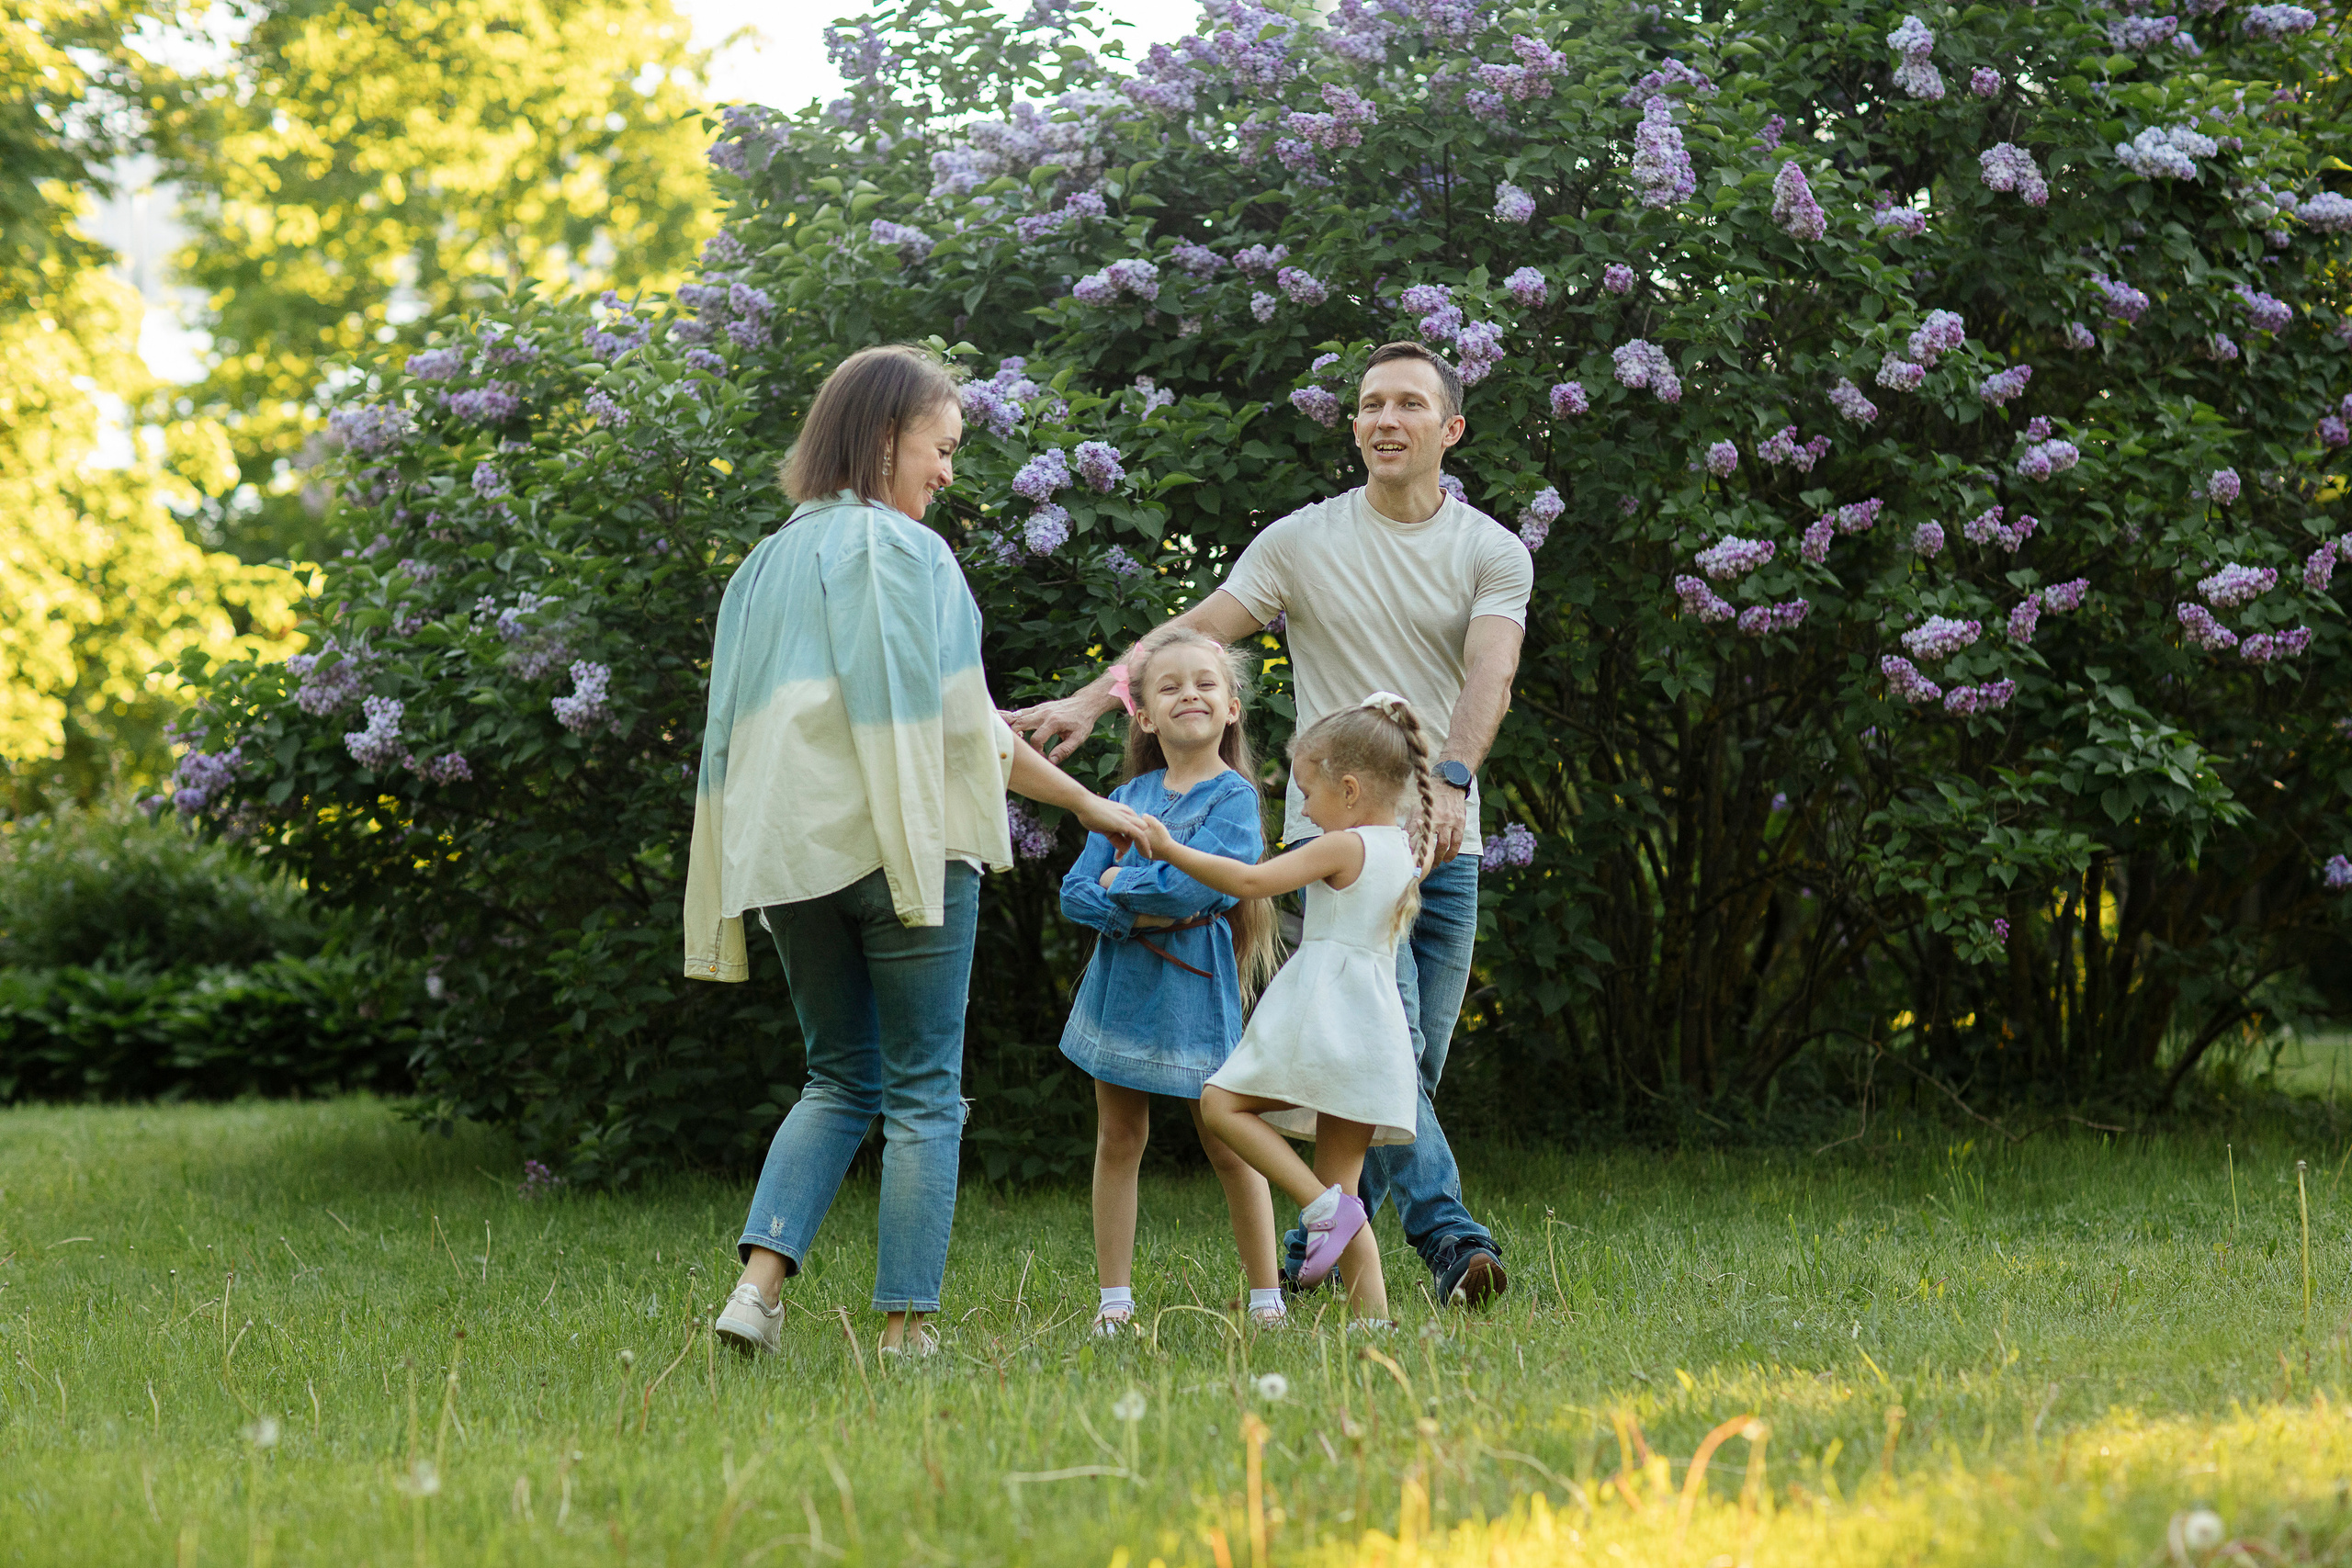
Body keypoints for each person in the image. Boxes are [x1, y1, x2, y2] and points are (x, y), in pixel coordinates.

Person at [1015, 341, 1529, 1307]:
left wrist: (1452, 781)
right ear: (1355, 426)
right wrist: (1092, 700)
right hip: (1325, 850)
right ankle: (1453, 1246)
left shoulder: (1491, 552)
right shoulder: (1301, 542)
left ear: (1449, 430)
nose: (1385, 419)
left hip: (1438, 845)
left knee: (1401, 1065)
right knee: (1381, 1055)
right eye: (1371, 404)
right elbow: (1192, 638)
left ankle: (1316, 1245)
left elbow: (1489, 674)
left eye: (1409, 405)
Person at [688, 343, 1148, 1359]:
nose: (946, 473)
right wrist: (1093, 806)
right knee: (923, 1090)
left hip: (790, 859)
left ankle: (756, 1290)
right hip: (909, 857)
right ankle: (904, 1331)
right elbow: (962, 736)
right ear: (884, 436)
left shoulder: (761, 567)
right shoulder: (911, 556)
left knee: (836, 1077)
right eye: (939, 449)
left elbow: (746, 737)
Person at [1140, 694, 1440, 1327]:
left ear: (1351, 790)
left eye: (1308, 792)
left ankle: (1318, 1205)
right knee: (1346, 1186)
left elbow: (1250, 882)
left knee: (1221, 1103)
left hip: (1326, 1017)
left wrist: (1169, 849)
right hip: (1373, 1033)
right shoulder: (1404, 848)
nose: (1301, 808)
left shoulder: (1343, 847)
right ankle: (1372, 1322)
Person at [1056, 626, 1285, 1336]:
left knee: (1228, 1141)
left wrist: (1127, 885)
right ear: (1145, 716)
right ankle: (1115, 1302)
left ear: (1233, 707)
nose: (1190, 692)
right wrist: (1136, 913)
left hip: (1197, 993)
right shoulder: (1125, 796)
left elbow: (1195, 894)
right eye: (1170, 685)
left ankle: (1267, 1301)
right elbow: (1074, 892)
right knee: (1119, 1137)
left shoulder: (1235, 799)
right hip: (1121, 987)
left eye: (1205, 683)